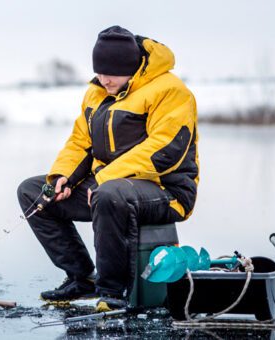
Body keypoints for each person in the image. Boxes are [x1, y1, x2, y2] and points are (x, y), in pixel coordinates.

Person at [16, 25, 199, 311]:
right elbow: (81, 142)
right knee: (33, 192)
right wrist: (63, 177)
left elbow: (165, 149)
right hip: (108, 187)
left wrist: (105, 178)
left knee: (109, 193)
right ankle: (80, 278)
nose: (104, 79)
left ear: (131, 67)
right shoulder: (97, 92)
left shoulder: (171, 91)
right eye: (99, 72)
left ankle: (111, 290)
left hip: (167, 190)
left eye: (110, 73)